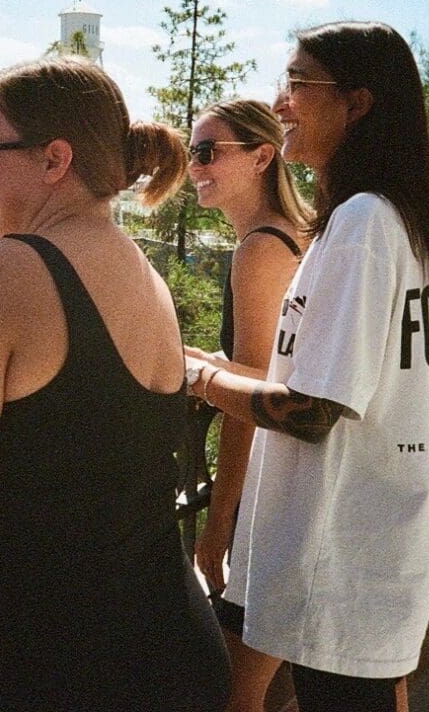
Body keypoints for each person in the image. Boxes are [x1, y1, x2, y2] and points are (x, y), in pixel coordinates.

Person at [0, 56, 231, 712]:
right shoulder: (143, 276)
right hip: (178, 656)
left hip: (60, 676)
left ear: (54, 160)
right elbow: (76, 450)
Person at [186, 22, 429, 712]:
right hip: (365, 563)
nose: (280, 101)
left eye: (299, 83)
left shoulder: (364, 222)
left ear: (358, 104)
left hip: (340, 568)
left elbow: (311, 413)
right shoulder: (394, 219)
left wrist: (202, 380)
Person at [188, 99, 311, 712]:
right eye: (192, 153)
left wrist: (219, 522)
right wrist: (214, 363)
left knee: (236, 691)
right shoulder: (301, 235)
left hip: (274, 498)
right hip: (304, 488)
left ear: (262, 156)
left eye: (208, 152)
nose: (194, 166)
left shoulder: (259, 250)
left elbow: (256, 400)